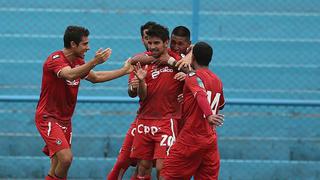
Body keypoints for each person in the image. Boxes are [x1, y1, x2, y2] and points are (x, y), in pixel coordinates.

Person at [35, 25, 133, 180]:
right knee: (66, 158)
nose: (88, 48)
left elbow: (96, 77)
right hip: (48, 117)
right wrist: (94, 61)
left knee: (57, 166)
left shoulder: (79, 61)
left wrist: (124, 70)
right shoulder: (55, 59)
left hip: (65, 120)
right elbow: (69, 75)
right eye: (85, 44)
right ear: (73, 44)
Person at [161, 42, 225, 180]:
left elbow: (200, 93)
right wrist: (187, 99)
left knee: (167, 175)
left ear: (193, 57)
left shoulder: (193, 77)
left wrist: (208, 115)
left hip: (191, 137)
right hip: (210, 140)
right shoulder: (217, 80)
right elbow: (219, 104)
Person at [130, 24, 183, 180]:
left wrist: (172, 63)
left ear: (166, 42)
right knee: (143, 168)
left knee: (163, 168)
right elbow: (140, 96)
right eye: (150, 43)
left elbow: (191, 73)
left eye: (156, 43)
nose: (152, 46)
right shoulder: (142, 63)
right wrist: (140, 82)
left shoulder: (176, 60)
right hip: (144, 121)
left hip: (167, 121)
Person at [107, 21, 157, 180]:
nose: (150, 41)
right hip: (142, 119)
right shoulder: (138, 61)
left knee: (153, 166)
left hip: (167, 121)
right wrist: (133, 87)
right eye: (146, 37)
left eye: (154, 38)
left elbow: (192, 49)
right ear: (142, 39)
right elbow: (131, 93)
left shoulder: (172, 60)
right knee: (123, 161)